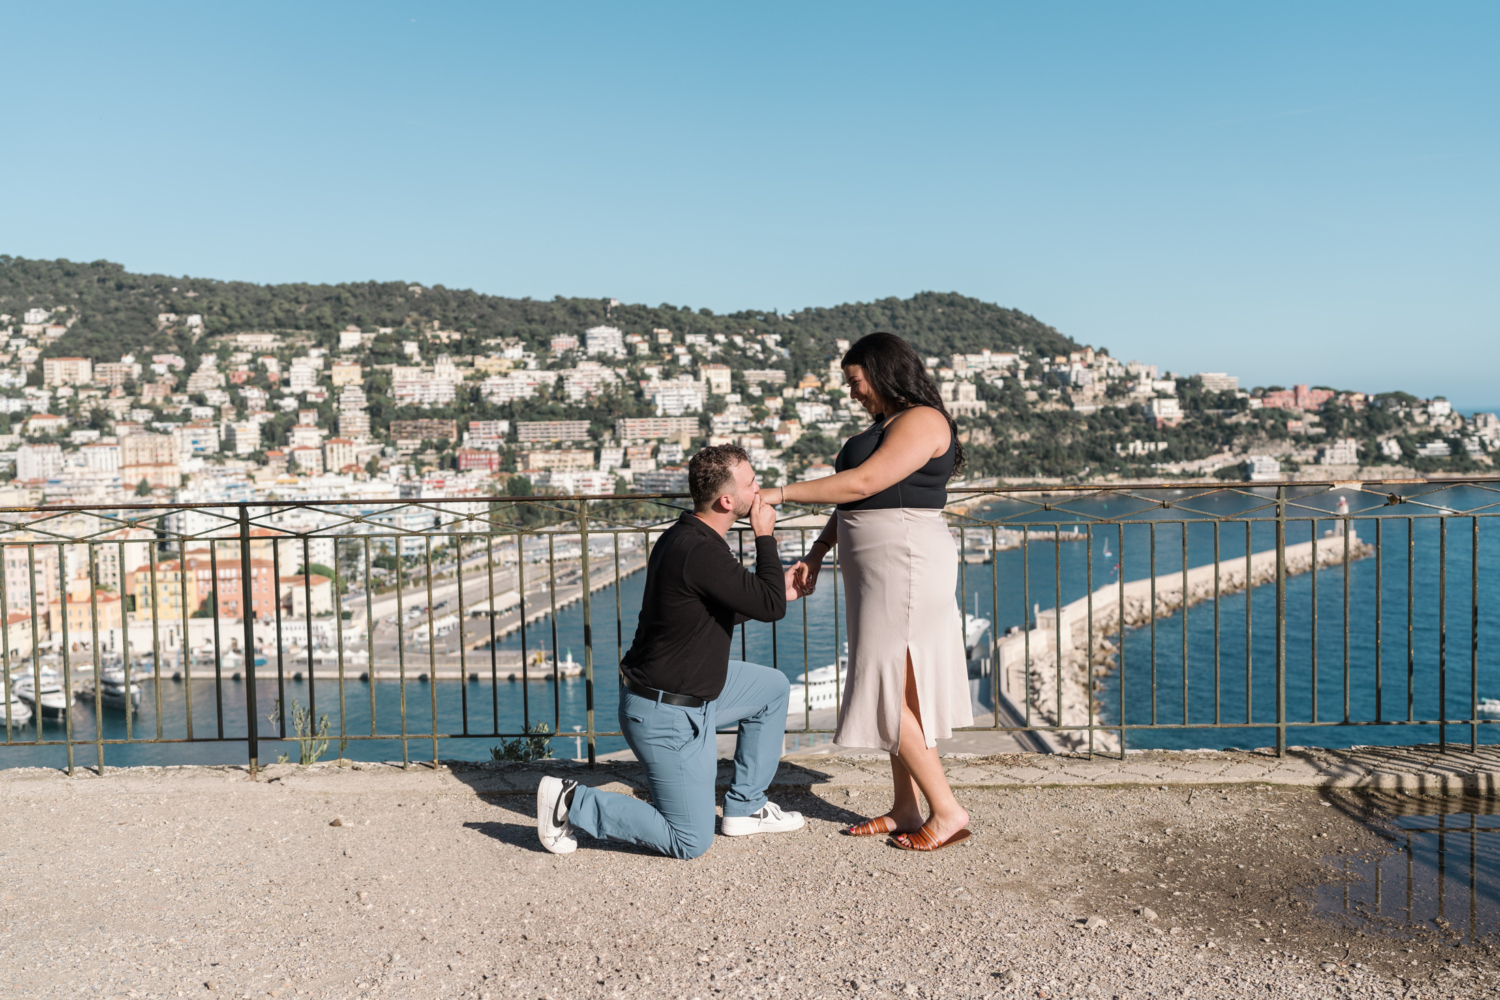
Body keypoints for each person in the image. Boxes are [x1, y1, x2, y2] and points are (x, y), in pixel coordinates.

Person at [537, 444, 808, 859]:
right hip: (666, 713)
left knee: (771, 689)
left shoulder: (687, 536)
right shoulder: (699, 549)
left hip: (692, 693)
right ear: (727, 500)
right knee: (689, 840)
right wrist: (765, 537)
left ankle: (747, 807)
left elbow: (714, 613)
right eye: (752, 483)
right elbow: (769, 607)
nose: (760, 492)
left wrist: (775, 591)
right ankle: (570, 801)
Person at [762, 332, 973, 852]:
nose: (851, 392)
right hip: (878, 565)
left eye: (855, 381)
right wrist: (816, 551)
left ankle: (947, 812)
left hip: (905, 561)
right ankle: (906, 807)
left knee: (884, 687)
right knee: (896, 688)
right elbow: (855, 502)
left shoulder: (924, 420)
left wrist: (778, 494)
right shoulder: (889, 425)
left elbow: (863, 483)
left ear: (881, 373)